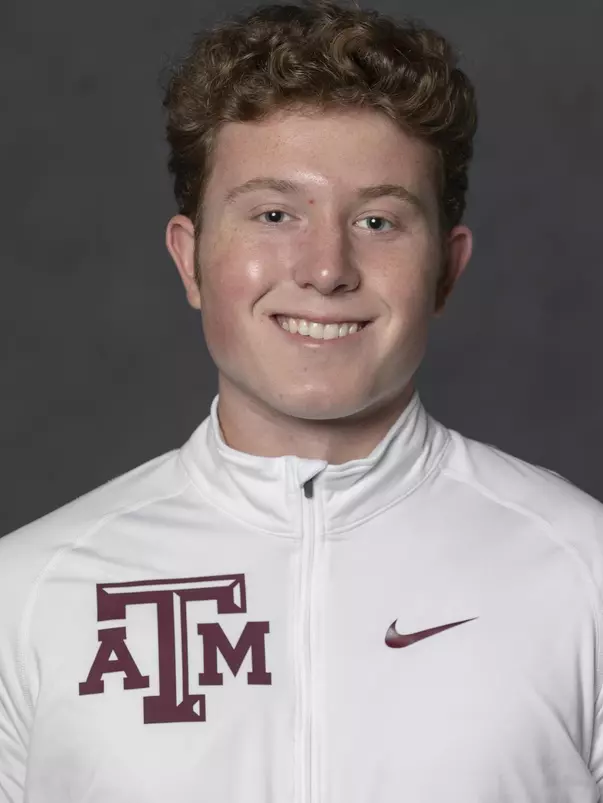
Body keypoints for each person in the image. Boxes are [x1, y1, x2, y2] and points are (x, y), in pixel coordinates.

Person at [1, 0, 602, 800]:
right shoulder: (29, 596)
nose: (326, 268)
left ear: (445, 271)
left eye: (378, 220)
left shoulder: (583, 572)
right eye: (274, 214)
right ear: (189, 260)